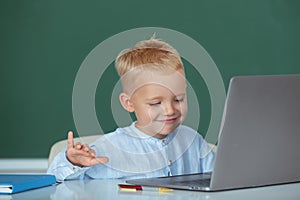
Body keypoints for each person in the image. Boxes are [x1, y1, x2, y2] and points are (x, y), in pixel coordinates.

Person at [47, 37, 215, 181]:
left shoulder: (193, 141)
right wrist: (73, 162)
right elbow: (55, 179)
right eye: (156, 103)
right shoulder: (109, 148)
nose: (170, 110)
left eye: (178, 99)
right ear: (129, 103)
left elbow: (221, 180)